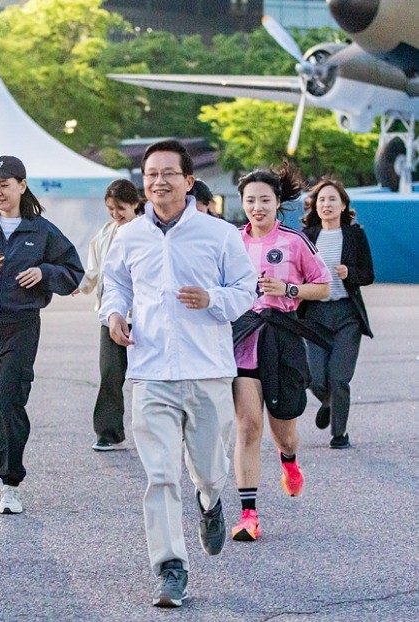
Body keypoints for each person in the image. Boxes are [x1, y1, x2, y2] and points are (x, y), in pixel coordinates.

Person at [99, 140, 257, 607]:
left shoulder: (218, 234)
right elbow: (116, 284)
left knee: (208, 468)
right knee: (161, 475)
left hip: (207, 370)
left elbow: (246, 289)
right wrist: (114, 315)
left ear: (188, 181)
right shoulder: (129, 236)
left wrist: (213, 299)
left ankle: (210, 499)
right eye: (151, 174)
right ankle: (171, 568)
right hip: (150, 372)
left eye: (169, 173)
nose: (159, 181)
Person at [0, 155, 84, 515]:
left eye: (4, 184)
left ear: (21, 185)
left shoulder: (42, 231)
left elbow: (74, 271)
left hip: (21, 326)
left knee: (8, 403)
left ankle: (10, 484)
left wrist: (45, 272)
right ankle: (4, 446)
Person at [231, 163, 331, 543]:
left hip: (282, 337)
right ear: (242, 203)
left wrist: (288, 290)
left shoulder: (294, 242)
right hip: (243, 338)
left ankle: (288, 461)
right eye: (250, 201)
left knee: (284, 432)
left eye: (264, 200)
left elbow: (323, 286)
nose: (257, 207)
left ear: (277, 203)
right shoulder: (231, 242)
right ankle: (249, 515)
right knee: (248, 426)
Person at [300, 178, 374, 448]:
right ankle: (329, 402)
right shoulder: (306, 237)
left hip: (346, 315)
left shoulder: (355, 235)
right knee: (315, 378)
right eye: (321, 200)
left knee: (339, 378)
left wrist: (349, 273)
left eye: (332, 199)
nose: (326, 204)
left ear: (343, 205)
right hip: (314, 314)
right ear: (315, 206)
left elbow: (368, 274)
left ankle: (339, 434)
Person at [74, 179, 141, 451]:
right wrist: (79, 285)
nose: (115, 214)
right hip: (111, 315)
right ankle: (109, 432)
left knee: (152, 379)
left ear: (135, 204)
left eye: (121, 208)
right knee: (110, 373)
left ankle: (168, 433)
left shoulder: (147, 232)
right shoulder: (104, 233)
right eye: (111, 209)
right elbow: (95, 269)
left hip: (144, 316)